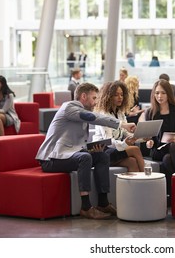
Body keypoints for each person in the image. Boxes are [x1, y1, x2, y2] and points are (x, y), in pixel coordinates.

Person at [36, 82, 136, 220]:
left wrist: (93, 148)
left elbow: (76, 144)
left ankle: (103, 203)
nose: (96, 102)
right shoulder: (69, 108)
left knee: (102, 156)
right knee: (85, 158)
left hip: (69, 154)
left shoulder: (82, 111)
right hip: (51, 158)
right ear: (83, 96)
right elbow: (95, 118)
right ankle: (86, 207)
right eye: (94, 98)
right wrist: (122, 124)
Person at [139, 79, 175, 196]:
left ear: (169, 94)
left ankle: (171, 194)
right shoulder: (150, 112)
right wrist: (149, 142)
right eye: (157, 93)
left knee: (169, 155)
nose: (159, 96)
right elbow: (149, 137)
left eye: (163, 93)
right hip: (158, 149)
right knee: (166, 155)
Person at [93, 81, 145, 172]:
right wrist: (124, 144)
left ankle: (137, 185)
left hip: (116, 149)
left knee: (132, 162)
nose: (120, 97)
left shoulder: (120, 113)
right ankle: (148, 178)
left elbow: (126, 133)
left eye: (121, 94)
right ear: (109, 96)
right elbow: (108, 141)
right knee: (135, 149)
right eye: (116, 95)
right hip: (103, 151)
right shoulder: (104, 115)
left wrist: (142, 138)